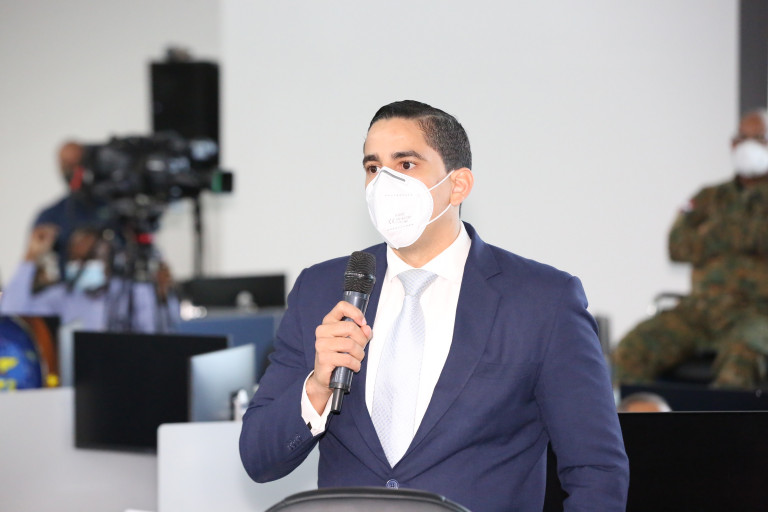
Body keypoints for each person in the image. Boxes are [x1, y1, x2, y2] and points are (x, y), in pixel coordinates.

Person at [239, 100, 628, 511]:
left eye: (405, 164)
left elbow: (596, 470)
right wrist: (317, 386)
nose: (384, 182)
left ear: (458, 185)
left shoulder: (543, 300)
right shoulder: (321, 290)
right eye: (373, 167)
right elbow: (259, 459)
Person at [612, 109, 768, 389]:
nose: (747, 146)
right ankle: (641, 417)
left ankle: (719, 420)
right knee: (629, 351)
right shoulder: (709, 197)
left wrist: (712, 234)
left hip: (756, 313)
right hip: (699, 311)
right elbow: (677, 246)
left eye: (757, 138)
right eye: (741, 138)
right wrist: (739, 235)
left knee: (741, 364)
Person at [0, 224, 178, 333]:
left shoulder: (130, 292)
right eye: (75, 259)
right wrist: (31, 257)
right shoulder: (61, 297)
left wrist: (163, 297)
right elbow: (11, 316)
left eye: (89, 259)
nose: (80, 266)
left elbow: (160, 331)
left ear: (110, 260)